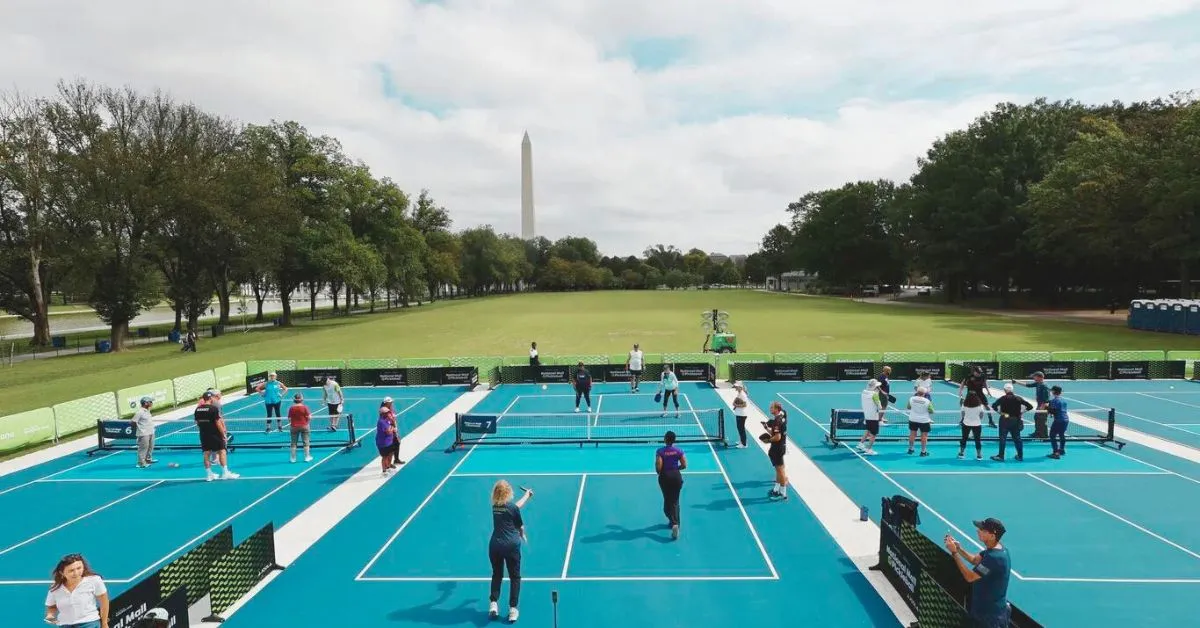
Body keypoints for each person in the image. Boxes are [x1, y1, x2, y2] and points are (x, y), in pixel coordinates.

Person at [944, 518, 1012, 628]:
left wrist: (954, 553)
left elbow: (970, 577)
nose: (978, 531)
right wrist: (959, 548)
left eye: (982, 530)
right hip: (985, 612)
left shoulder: (994, 558)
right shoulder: (995, 549)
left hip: (990, 618)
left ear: (992, 536)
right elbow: (975, 560)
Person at [488, 480, 532, 623]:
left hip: (495, 546)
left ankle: (493, 604)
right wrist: (522, 534)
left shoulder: (495, 506)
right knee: (515, 577)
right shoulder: (512, 508)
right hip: (511, 546)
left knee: (497, 574)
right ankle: (513, 609)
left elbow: (514, 507)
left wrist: (526, 495)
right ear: (508, 492)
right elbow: (520, 525)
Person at [45, 553, 109, 628]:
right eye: (71, 570)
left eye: (79, 568)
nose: (76, 573)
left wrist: (104, 623)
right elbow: (51, 606)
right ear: (62, 573)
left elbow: (104, 602)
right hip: (64, 625)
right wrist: (50, 615)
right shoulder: (55, 588)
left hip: (89, 623)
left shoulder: (94, 580)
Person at [194, 391, 239, 481]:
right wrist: (223, 434)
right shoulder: (213, 409)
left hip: (203, 434)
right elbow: (218, 423)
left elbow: (197, 422)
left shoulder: (198, 409)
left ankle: (209, 475)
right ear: (210, 398)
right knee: (222, 451)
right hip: (215, 434)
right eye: (213, 397)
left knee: (206, 453)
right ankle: (225, 473)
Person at [656, 430, 687, 539]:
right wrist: (675, 469)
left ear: (665, 439)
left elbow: (658, 467)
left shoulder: (660, 451)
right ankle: (675, 524)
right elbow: (684, 465)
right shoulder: (679, 451)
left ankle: (674, 523)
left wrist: (661, 472)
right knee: (675, 501)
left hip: (665, 477)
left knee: (668, 501)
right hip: (676, 477)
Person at [990, 383, 1032, 462]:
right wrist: (1022, 412)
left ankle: (1001, 456)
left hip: (1005, 419)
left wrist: (1000, 413)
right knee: (1017, 438)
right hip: (1016, 420)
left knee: (1003, 438)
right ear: (1012, 390)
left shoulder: (1003, 398)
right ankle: (1020, 456)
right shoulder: (1018, 398)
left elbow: (994, 406)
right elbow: (1030, 406)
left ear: (1005, 390)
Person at [763, 401, 789, 500]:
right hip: (780, 447)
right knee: (779, 470)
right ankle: (776, 489)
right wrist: (766, 428)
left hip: (777, 448)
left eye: (772, 408)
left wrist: (768, 440)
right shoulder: (780, 419)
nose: (770, 409)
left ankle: (782, 493)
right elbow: (775, 433)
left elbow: (777, 437)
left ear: (777, 409)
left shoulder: (777, 421)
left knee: (780, 470)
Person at [1012, 371, 1050, 439]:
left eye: (1035, 376)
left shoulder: (1044, 386)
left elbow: (1046, 400)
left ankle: (1044, 435)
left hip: (1043, 407)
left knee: (1042, 421)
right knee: (1037, 419)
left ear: (1039, 377)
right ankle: (1037, 433)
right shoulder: (1038, 383)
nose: (1033, 378)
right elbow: (1028, 385)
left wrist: (1041, 408)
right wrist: (1016, 382)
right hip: (1039, 406)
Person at [129, 396, 156, 468]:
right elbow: (133, 422)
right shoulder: (139, 412)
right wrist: (140, 429)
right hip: (143, 434)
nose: (151, 403)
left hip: (151, 432)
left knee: (151, 447)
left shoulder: (147, 410)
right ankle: (141, 463)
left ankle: (148, 459)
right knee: (143, 448)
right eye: (150, 402)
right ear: (145, 403)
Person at [906, 387, 934, 457]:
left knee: (912, 434)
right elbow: (932, 411)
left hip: (913, 419)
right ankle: (923, 452)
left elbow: (908, 407)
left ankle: (910, 449)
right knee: (924, 436)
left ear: (917, 392)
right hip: (924, 421)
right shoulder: (927, 401)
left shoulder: (911, 398)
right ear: (924, 394)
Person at [856, 380, 882, 456]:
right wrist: (877, 394)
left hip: (867, 416)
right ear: (874, 387)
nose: (878, 387)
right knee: (873, 434)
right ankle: (869, 449)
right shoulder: (875, 394)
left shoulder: (863, 392)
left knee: (868, 430)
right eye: (877, 386)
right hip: (873, 417)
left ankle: (860, 444)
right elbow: (879, 407)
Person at [959, 391, 985, 460]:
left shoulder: (964, 405)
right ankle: (979, 455)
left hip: (966, 424)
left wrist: (967, 418)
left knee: (964, 438)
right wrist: (976, 419)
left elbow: (962, 415)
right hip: (977, 424)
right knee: (977, 440)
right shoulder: (980, 406)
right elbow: (981, 416)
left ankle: (961, 454)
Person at [287, 393, 312, 463]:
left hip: (294, 427)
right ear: (302, 399)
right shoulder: (305, 407)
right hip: (304, 426)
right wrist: (307, 422)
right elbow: (309, 417)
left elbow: (289, 418)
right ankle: (307, 457)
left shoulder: (291, 408)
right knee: (306, 442)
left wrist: (292, 423)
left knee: (293, 443)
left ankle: (293, 459)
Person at [381, 397, 405, 466]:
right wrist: (393, 429)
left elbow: (393, 419)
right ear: (386, 403)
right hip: (390, 430)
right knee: (391, 447)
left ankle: (396, 459)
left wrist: (396, 428)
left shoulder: (391, 409)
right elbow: (388, 421)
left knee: (397, 443)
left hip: (393, 429)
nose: (392, 403)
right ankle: (388, 464)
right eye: (390, 402)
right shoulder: (384, 411)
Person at [1047, 385, 1069, 459]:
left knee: (1052, 435)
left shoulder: (1054, 400)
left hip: (1058, 420)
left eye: (1052, 390)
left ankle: (1056, 453)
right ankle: (1062, 450)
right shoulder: (1064, 400)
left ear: (1053, 391)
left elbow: (1054, 411)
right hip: (1066, 420)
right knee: (1061, 434)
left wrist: (1047, 407)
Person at [376, 406, 399, 476]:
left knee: (389, 454)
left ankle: (388, 467)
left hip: (389, 442)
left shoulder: (386, 420)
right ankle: (384, 471)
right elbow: (388, 432)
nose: (389, 413)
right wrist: (393, 428)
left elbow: (391, 428)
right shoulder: (381, 422)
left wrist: (392, 422)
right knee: (385, 457)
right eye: (387, 413)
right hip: (383, 443)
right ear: (383, 414)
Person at [731, 382, 749, 448]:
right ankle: (741, 440)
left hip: (742, 414)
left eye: (736, 386)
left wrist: (736, 405)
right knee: (740, 428)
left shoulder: (742, 395)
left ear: (740, 387)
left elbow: (745, 404)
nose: (735, 387)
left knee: (741, 429)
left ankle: (744, 444)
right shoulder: (739, 393)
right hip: (739, 414)